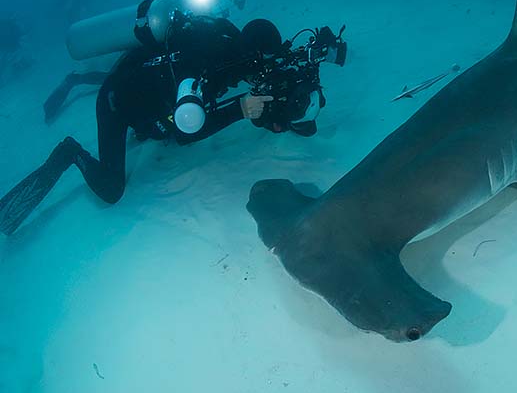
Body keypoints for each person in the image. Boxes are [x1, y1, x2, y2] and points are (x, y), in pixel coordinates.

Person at [0, 13, 328, 236]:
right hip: (117, 104)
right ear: (252, 53)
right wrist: (240, 109)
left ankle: (86, 82)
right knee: (112, 189)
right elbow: (186, 133)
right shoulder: (202, 64)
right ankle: (71, 152)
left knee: (149, 115)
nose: (263, 70)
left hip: (146, 88)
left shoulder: (228, 42)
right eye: (263, 61)